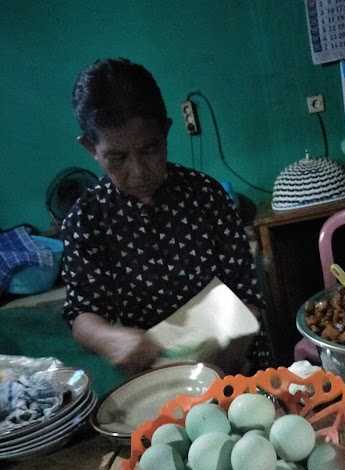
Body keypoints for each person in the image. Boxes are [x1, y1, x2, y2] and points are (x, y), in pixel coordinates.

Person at [61, 58, 270, 374]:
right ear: (91, 147)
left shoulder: (206, 196)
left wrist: (221, 363)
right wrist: (109, 338)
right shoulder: (87, 219)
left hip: (235, 364)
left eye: (149, 150)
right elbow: (81, 313)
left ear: (166, 132)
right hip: (155, 374)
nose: (138, 171)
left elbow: (247, 298)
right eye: (117, 158)